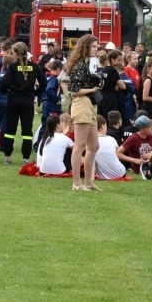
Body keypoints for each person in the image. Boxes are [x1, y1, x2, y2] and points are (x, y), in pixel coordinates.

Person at [65, 34, 103, 191]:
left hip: (90, 104)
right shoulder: (80, 65)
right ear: (86, 47)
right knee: (79, 145)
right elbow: (74, 90)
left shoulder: (87, 64)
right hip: (82, 103)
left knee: (94, 145)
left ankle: (89, 182)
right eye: (94, 46)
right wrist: (94, 89)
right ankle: (76, 183)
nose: (96, 49)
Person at [2, 41, 47, 166]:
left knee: (10, 128)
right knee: (27, 130)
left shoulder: (12, 66)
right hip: (28, 100)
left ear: (15, 53)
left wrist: (8, 92)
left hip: (13, 100)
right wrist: (35, 93)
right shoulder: (35, 66)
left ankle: (7, 157)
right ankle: (25, 158)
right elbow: (44, 83)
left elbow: (5, 82)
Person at [95, 114, 127, 180]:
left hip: (103, 176)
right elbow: (116, 157)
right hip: (120, 173)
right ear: (102, 126)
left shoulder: (90, 142)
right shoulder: (111, 139)